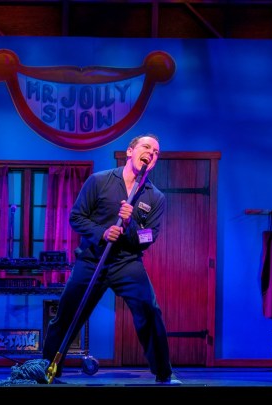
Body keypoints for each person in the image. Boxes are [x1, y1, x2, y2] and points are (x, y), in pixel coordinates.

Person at [42, 133, 178, 384]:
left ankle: (164, 374)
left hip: (127, 263)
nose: (152, 153)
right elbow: (77, 217)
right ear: (130, 151)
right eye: (147, 147)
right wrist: (102, 232)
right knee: (68, 313)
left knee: (149, 310)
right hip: (92, 259)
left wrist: (130, 223)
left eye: (157, 152)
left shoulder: (154, 197)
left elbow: (149, 237)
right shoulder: (99, 181)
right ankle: (47, 370)